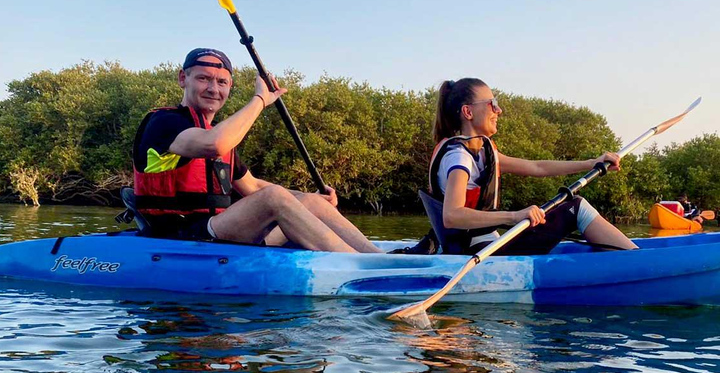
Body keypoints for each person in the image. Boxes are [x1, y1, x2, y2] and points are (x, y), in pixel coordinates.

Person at [132, 48, 382, 253]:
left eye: (221, 82)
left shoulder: (220, 131)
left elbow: (253, 187)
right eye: (203, 78)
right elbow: (213, 144)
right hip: (177, 235)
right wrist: (260, 100)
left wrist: (311, 197)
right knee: (274, 197)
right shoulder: (165, 122)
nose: (213, 89)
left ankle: (377, 257)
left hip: (220, 231)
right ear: (182, 79)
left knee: (309, 202)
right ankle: (359, 267)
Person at [427, 77, 638, 255]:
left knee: (574, 207)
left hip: (489, 245)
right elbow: (452, 216)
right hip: (478, 253)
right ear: (468, 112)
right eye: (492, 103)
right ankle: (638, 262)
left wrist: (592, 163)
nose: (499, 110)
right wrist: (515, 216)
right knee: (576, 208)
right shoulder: (459, 158)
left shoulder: (482, 151)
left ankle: (629, 257)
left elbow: (537, 167)